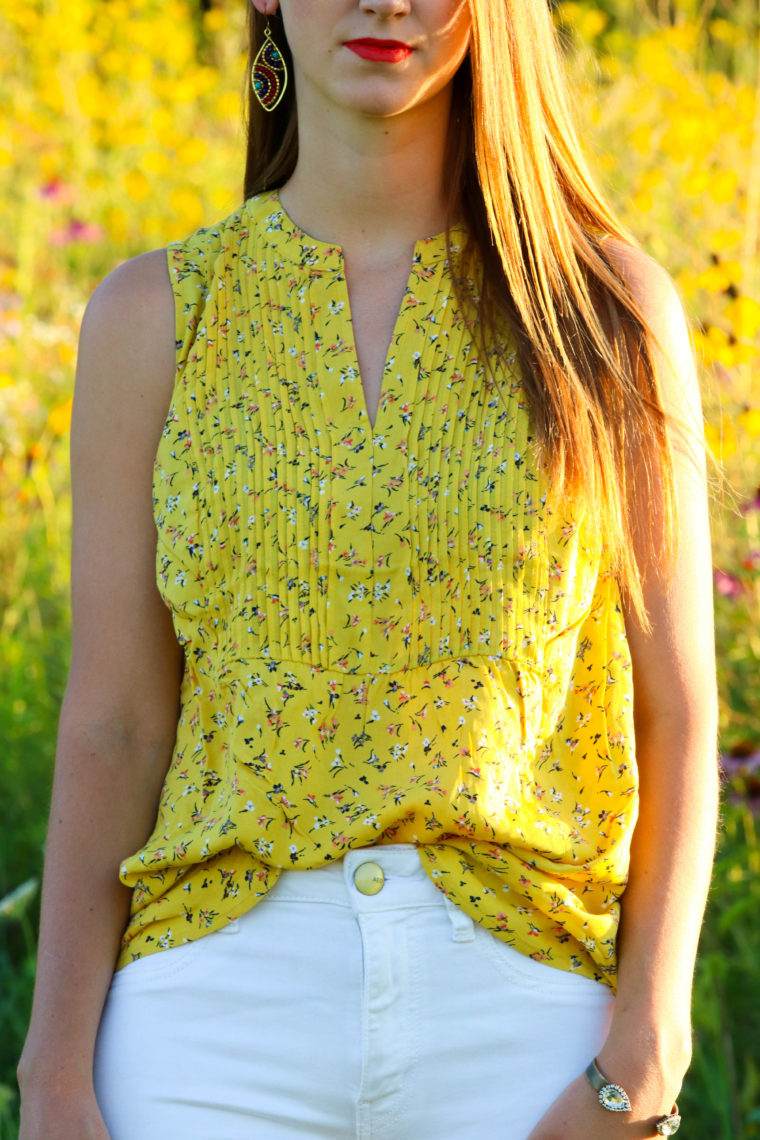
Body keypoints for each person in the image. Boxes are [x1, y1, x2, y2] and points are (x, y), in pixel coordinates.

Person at [17, 0, 720, 1137]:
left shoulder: (604, 314)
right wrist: (51, 1073)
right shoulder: (155, 319)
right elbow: (116, 724)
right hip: (207, 1023)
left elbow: (676, 708)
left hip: (527, 1013)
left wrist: (649, 1039)